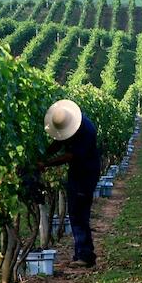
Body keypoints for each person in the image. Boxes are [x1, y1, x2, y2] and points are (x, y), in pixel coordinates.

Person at [38, 99, 101, 268]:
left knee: (78, 213)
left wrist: (46, 163)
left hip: (85, 173)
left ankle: (85, 255)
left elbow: (70, 156)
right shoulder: (73, 124)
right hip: (78, 172)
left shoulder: (86, 131)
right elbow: (58, 143)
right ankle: (83, 253)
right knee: (76, 212)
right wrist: (42, 155)